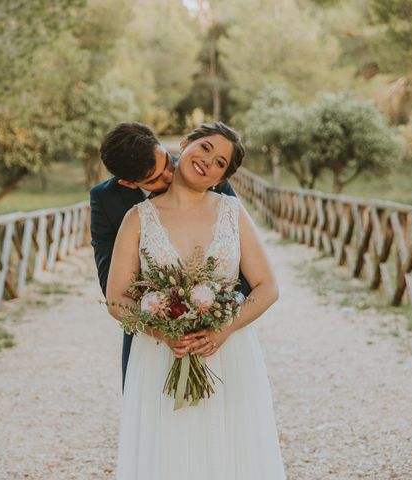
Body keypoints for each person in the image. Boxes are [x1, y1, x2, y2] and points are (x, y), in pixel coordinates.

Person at [106, 122, 285, 479]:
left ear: (221, 178)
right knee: (167, 452)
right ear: (185, 145)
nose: (208, 161)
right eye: (205, 148)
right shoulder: (136, 219)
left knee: (230, 450)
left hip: (226, 353)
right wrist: (162, 331)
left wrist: (224, 328)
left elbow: (267, 286)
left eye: (220, 162)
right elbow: (116, 298)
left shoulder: (232, 212)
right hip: (159, 355)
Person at [89, 122, 250, 390]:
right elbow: (113, 288)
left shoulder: (206, 177)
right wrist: (168, 320)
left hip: (215, 330)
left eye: (167, 162)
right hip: (152, 332)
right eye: (154, 179)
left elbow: (241, 268)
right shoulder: (106, 201)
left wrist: (212, 316)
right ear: (128, 183)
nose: (169, 176)